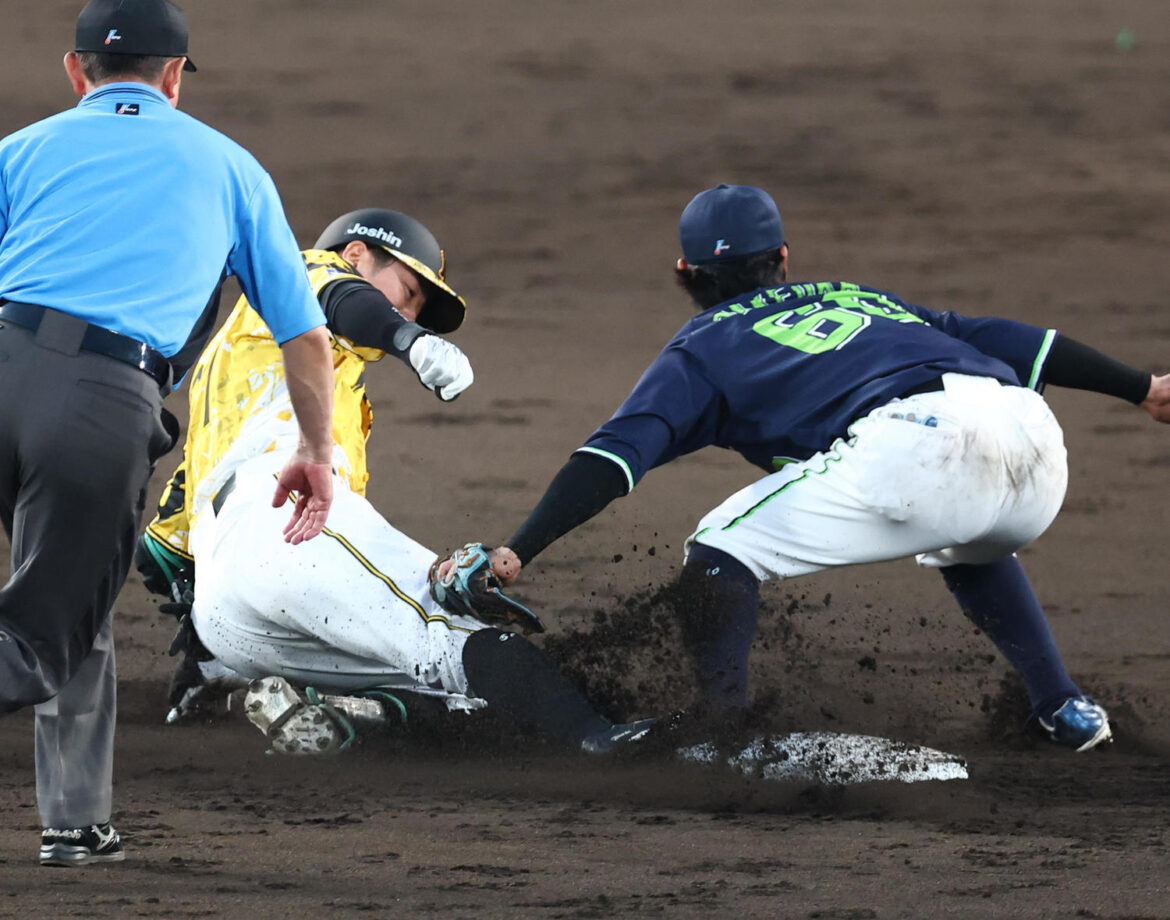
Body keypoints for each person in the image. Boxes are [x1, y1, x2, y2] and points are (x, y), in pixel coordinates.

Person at [452, 183, 1170, 753]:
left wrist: (523, 546)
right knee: (969, 537)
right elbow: (1014, 339)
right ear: (784, 258)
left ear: (686, 274)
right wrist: (1142, 388)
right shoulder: (864, 298)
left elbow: (611, 458)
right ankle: (1065, 708)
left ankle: (720, 728)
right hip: (1034, 439)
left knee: (720, 546)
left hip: (920, 447)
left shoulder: (702, 345)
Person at [0, 0, 339, 867]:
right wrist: (316, 450)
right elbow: (302, 334)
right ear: (175, 77)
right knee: (40, 639)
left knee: (76, 596)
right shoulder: (230, 167)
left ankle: (75, 820)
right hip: (99, 403)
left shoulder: (19, 151)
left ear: (77, 71)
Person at [135, 208, 656, 758]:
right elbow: (339, 299)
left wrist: (202, 657)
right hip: (282, 527)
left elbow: (161, 549)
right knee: (450, 629)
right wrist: (408, 339)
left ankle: (353, 714)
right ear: (356, 254)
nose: (409, 310)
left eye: (416, 311)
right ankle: (600, 740)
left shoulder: (258, 373)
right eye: (407, 290)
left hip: (233, 619)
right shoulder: (300, 276)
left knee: (448, 689)